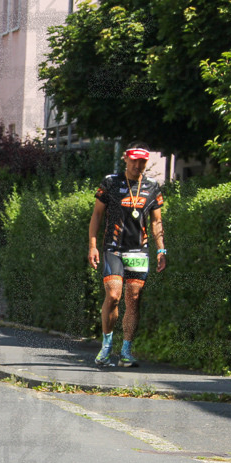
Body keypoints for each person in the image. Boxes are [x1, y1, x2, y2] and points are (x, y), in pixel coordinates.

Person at [88, 143, 166, 367]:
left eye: (142, 161)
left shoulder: (152, 186)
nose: (138, 165)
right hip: (113, 248)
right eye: (134, 160)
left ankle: (126, 352)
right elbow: (96, 215)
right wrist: (92, 246)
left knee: (133, 300)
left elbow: (157, 221)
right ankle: (106, 346)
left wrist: (161, 249)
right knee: (113, 296)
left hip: (139, 251)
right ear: (125, 159)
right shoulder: (111, 183)